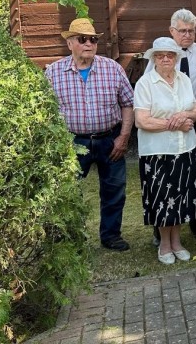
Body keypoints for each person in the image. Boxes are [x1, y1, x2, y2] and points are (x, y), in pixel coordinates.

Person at [45, 18, 134, 252]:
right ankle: (72, 239)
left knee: (114, 190)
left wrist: (123, 137)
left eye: (93, 39)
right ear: (70, 43)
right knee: (68, 193)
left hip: (110, 139)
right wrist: (60, 144)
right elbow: (47, 113)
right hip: (72, 142)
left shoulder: (112, 68)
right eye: (82, 39)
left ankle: (111, 236)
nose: (89, 44)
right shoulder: (53, 73)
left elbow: (128, 103)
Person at [145, 9, 196, 243]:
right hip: (168, 121)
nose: (187, 35)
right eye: (182, 31)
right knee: (167, 173)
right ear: (172, 31)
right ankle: (163, 230)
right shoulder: (161, 56)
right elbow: (149, 86)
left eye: (191, 31)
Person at [135, 37, 196, 264]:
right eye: (160, 55)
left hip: (186, 148)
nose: (165, 58)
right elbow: (142, 121)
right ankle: (164, 245)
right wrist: (174, 123)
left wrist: (185, 116)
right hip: (158, 153)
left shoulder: (184, 79)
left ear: (176, 57)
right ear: (154, 58)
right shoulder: (145, 83)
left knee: (180, 197)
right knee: (162, 200)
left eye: (170, 54)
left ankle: (177, 241)